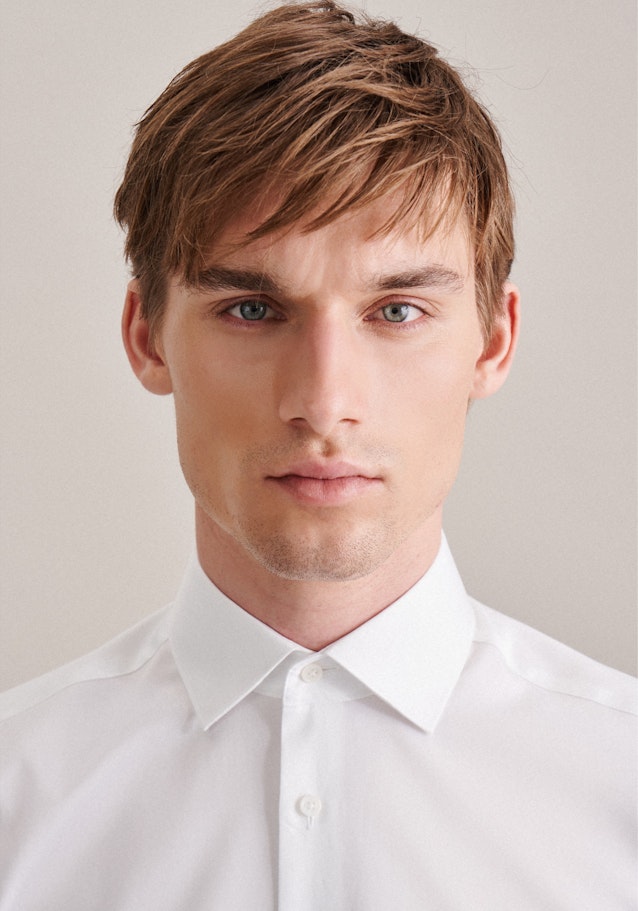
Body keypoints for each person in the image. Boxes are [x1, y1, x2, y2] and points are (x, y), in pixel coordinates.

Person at [1, 2, 635, 909]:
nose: (324, 400)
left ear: (494, 341)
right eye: (252, 309)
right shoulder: (17, 798)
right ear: (146, 335)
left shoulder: (621, 785)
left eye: (398, 310)